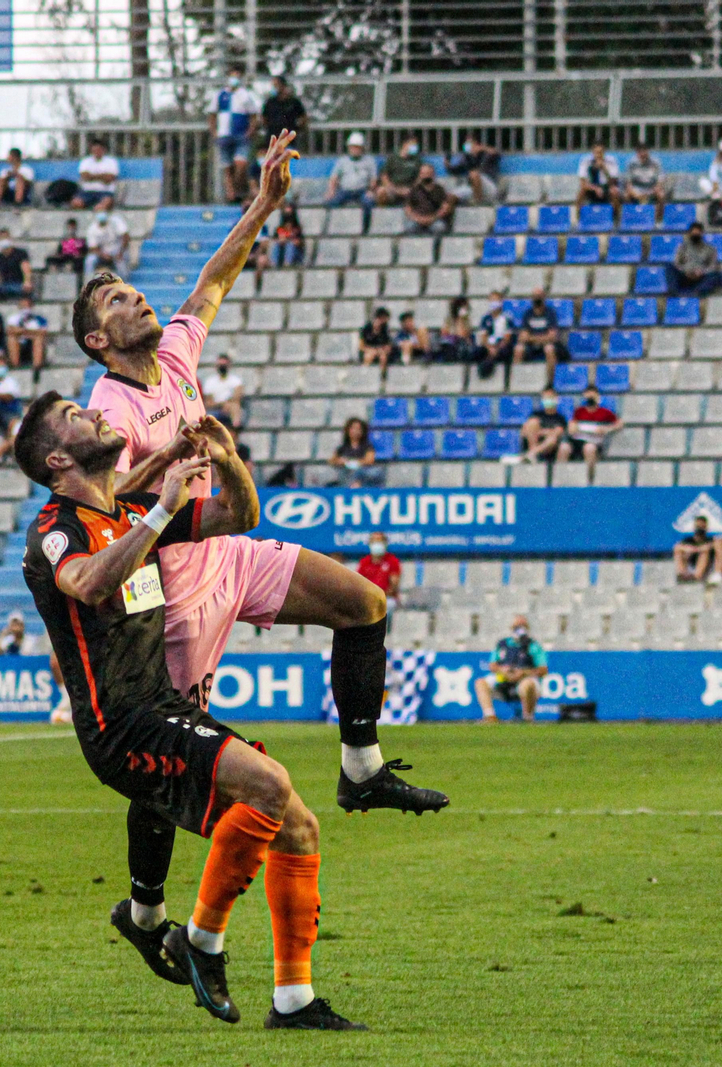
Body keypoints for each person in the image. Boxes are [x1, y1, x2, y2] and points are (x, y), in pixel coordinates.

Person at [78, 133, 446, 834]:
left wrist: (261, 204)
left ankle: (362, 768)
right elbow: (104, 499)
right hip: (178, 594)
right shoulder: (109, 407)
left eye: (135, 290)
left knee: (363, 603)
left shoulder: (175, 355)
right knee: (166, 763)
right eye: (121, 301)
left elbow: (213, 281)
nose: (140, 300)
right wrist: (165, 470)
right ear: (99, 340)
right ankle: (150, 911)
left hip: (232, 555)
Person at [15, 387, 368, 1031]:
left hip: (161, 706)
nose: (93, 414)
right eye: (75, 417)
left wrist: (226, 458)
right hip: (121, 726)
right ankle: (200, 940)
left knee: (299, 826)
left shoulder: (130, 511)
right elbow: (90, 584)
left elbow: (241, 515)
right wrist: (157, 515)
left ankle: (293, 1001)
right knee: (269, 785)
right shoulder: (55, 530)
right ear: (58, 461)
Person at [208, 66, 260, 203]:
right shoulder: (220, 95)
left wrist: (251, 130)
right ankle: (231, 195)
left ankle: (237, 189)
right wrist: (214, 132)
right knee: (227, 167)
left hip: (241, 134)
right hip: (224, 134)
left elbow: (253, 114)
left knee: (241, 164)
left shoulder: (245, 95)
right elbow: (212, 114)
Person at [481, 616, 547, 722]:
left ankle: (527, 717)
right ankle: (490, 716)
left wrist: (524, 672)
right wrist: (503, 670)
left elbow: (543, 669)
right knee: (481, 683)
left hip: (525, 678)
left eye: (522, 626)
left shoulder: (533, 645)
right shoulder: (503, 644)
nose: (519, 629)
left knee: (527, 685)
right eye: (517, 626)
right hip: (504, 677)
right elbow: (492, 665)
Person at [561, 386, 621, 478]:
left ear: (597, 397)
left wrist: (606, 429)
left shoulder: (605, 412)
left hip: (594, 442)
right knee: (563, 447)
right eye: (588, 396)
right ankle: (561, 476)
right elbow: (571, 425)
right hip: (577, 441)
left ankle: (588, 478)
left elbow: (619, 424)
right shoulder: (579, 411)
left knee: (589, 448)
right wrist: (572, 427)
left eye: (592, 396)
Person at [512, 288, 565, 387]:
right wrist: (542, 338)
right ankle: (517, 382)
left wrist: (532, 338)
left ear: (544, 297)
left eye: (539, 295)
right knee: (518, 349)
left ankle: (550, 383)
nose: (537, 298)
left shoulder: (550, 313)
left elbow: (553, 336)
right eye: (535, 296)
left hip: (546, 345)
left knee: (549, 348)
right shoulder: (528, 314)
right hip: (532, 346)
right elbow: (523, 337)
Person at [669, 221, 722, 297]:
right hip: (685, 276)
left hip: (701, 278)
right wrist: (686, 271)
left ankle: (697, 292)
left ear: (701, 233)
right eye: (693, 232)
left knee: (716, 275)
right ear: (689, 234)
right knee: (669, 267)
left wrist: (702, 272)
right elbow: (677, 264)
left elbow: (713, 266)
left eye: (697, 232)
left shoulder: (710, 249)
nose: (695, 234)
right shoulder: (682, 247)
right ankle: (676, 292)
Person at [447, 133, 501, 205]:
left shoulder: (486, 155)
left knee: (474, 174)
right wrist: (447, 163)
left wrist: (482, 148)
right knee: (452, 196)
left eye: (469, 143)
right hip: (472, 188)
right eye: (466, 144)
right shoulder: (466, 158)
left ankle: (478, 204)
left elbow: (497, 154)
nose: (468, 146)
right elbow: (454, 170)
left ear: (476, 143)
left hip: (489, 187)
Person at [326, 132, 377, 208]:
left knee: (368, 202)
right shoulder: (342, 161)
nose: (355, 149)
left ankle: (366, 220)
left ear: (362, 148)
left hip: (362, 191)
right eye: (353, 147)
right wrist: (331, 190)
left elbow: (373, 179)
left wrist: (370, 191)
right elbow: (334, 178)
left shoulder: (369, 161)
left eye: (357, 147)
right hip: (345, 191)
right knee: (331, 202)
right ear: (349, 147)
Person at [329, 416, 381, 488]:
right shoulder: (342, 448)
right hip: (346, 472)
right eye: (353, 428)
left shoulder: (367, 446)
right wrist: (340, 461)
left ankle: (356, 485)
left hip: (362, 472)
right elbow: (332, 460)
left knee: (373, 472)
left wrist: (352, 462)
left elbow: (369, 460)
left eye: (358, 429)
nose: (355, 431)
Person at [0, 229, 33, 300]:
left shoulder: (20, 253)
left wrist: (27, 281)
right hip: (4, 285)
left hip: (18, 284)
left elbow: (26, 267)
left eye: (5, 237)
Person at [405, 163, 456, 234]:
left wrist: (431, 219)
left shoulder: (440, 190)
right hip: (417, 220)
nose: (426, 176)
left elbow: (445, 208)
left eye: (428, 173)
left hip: (434, 220)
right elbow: (408, 209)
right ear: (420, 175)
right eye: (424, 173)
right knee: (409, 227)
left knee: (439, 227)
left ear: (433, 174)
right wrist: (418, 219)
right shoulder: (414, 190)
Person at [519, 388, 567, 465]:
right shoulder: (535, 414)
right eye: (545, 398)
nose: (548, 400)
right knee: (533, 422)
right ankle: (533, 455)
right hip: (534, 441)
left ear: (556, 399)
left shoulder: (560, 418)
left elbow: (558, 432)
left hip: (550, 447)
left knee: (552, 439)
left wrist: (540, 432)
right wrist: (546, 432)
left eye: (550, 397)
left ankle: (532, 454)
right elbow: (525, 430)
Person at [374, 135, 422, 206]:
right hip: (393, 189)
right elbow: (384, 176)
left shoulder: (417, 160)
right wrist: (394, 189)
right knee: (381, 192)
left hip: (409, 190)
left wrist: (412, 189)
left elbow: (420, 177)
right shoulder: (392, 158)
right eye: (413, 144)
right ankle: (383, 215)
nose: (415, 147)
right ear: (405, 144)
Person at [355, 533, 401, 608]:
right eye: (374, 541)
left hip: (387, 598)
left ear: (385, 544)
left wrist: (379, 596)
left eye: (379, 541)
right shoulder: (364, 562)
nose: (377, 544)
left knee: (387, 606)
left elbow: (393, 587)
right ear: (370, 544)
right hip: (368, 598)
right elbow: (358, 585)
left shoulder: (392, 561)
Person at [84, 206, 131, 277]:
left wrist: (120, 252)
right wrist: (103, 255)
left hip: (118, 249)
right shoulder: (92, 229)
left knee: (121, 263)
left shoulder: (115, 221)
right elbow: (93, 247)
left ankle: (124, 282)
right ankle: (88, 282)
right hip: (102, 252)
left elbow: (125, 236)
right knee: (90, 260)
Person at [200, 355, 245, 429]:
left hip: (230, 408)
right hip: (215, 409)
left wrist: (227, 405)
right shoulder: (210, 382)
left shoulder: (236, 381)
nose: (222, 367)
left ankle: (235, 428)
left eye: (224, 365)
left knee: (235, 407)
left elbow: (237, 398)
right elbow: (208, 402)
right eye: (220, 365)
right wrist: (222, 404)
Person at [260, 75, 308, 143]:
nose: (274, 87)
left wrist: (297, 128)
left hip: (289, 138)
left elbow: (303, 117)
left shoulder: (293, 102)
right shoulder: (270, 102)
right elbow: (264, 117)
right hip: (273, 137)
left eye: (276, 85)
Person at [476, 291, 514, 375]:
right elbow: (483, 337)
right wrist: (489, 348)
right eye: (492, 300)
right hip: (489, 346)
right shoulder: (485, 318)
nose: (494, 302)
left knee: (505, 351)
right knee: (476, 351)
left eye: (496, 300)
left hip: (501, 346)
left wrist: (497, 348)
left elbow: (507, 338)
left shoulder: (507, 318)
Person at [73, 140, 120, 208]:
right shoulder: (85, 161)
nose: (96, 152)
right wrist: (103, 176)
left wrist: (91, 176)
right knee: (76, 203)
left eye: (99, 150)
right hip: (86, 192)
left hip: (105, 192)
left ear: (104, 150)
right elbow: (85, 177)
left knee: (105, 204)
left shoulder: (111, 161)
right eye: (94, 150)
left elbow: (109, 178)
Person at [6, 295, 49, 368]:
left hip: (32, 344)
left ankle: (36, 367)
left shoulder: (40, 319)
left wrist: (22, 331)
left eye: (27, 305)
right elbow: (11, 331)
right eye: (23, 305)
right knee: (12, 339)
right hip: (19, 343)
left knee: (39, 339)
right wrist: (31, 332)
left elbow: (42, 332)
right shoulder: (13, 318)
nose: (25, 308)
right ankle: (15, 366)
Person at [433, 297, 479, 364]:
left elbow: (462, 335)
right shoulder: (449, 319)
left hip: (461, 344)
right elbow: (444, 333)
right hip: (449, 344)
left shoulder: (466, 320)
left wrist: (460, 320)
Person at [674, 513, 716, 583]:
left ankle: (696, 577)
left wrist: (697, 549)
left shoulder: (710, 539)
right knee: (679, 553)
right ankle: (682, 575)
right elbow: (677, 547)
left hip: (706, 569)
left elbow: (710, 546)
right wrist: (689, 549)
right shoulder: (688, 540)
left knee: (704, 553)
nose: (699, 528)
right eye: (698, 526)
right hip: (691, 565)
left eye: (702, 526)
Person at [271, 203, 305, 267]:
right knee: (276, 245)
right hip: (282, 252)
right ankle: (274, 263)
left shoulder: (297, 229)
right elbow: (275, 239)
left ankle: (287, 263)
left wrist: (291, 239)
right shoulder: (280, 228)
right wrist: (281, 240)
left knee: (290, 245)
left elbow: (300, 242)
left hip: (295, 253)